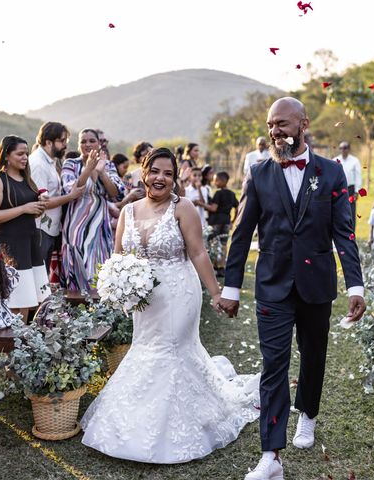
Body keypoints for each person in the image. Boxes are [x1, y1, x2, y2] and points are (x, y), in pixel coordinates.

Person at [218, 97, 365, 480]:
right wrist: (231, 287)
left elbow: (344, 233)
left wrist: (356, 285)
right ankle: (271, 456)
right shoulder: (259, 172)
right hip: (272, 285)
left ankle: (309, 415)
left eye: (283, 123)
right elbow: (241, 234)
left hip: (317, 285)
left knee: (314, 356)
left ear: (303, 124)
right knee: (274, 365)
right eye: (271, 125)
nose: (275, 131)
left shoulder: (331, 172)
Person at [80, 148, 260, 463]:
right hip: (142, 298)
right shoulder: (128, 212)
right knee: (145, 350)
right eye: (155, 171)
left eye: (168, 173)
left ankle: (179, 427)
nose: (160, 178)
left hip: (179, 293)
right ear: (143, 172)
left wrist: (216, 293)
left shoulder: (184, 208)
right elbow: (119, 255)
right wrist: (119, 284)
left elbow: (199, 253)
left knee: (172, 351)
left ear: (175, 179)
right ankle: (134, 423)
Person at [0, 135, 50, 320]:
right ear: (6, 155)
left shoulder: (26, 179)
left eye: (27, 154)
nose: (25, 158)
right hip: (11, 246)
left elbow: (31, 214)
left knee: (33, 300)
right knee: (17, 301)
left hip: (31, 243)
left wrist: (39, 207)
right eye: (20, 154)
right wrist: (23, 208)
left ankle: (27, 343)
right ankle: (12, 343)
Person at [61, 129, 122, 292]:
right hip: (76, 222)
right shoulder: (71, 164)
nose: (87, 144)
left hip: (100, 222)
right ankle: (76, 311)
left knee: (100, 266)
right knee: (77, 267)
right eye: (83, 141)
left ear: (99, 143)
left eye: (91, 141)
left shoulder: (108, 165)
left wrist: (101, 171)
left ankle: (99, 313)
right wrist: (88, 169)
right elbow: (71, 191)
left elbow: (116, 194)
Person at [29, 121, 80, 273]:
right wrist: (71, 196)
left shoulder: (49, 161)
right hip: (41, 228)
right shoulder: (38, 164)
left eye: (66, 141)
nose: (65, 145)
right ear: (48, 142)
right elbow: (41, 203)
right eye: (62, 141)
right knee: (40, 276)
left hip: (50, 228)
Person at [207, 171, 239, 275]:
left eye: (216, 180)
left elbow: (213, 208)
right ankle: (222, 267)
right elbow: (237, 208)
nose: (214, 182)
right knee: (224, 244)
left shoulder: (218, 193)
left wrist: (200, 203)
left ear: (222, 181)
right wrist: (232, 221)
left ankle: (214, 267)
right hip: (226, 222)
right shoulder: (232, 194)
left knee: (214, 243)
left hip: (216, 222)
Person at [333, 141, 362, 230]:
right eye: (341, 148)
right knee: (338, 210)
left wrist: (357, 191)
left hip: (350, 189)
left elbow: (358, 176)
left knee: (351, 211)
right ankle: (340, 230)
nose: (343, 150)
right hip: (339, 189)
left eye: (345, 148)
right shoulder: (335, 160)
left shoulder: (355, 161)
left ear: (348, 149)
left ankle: (351, 232)